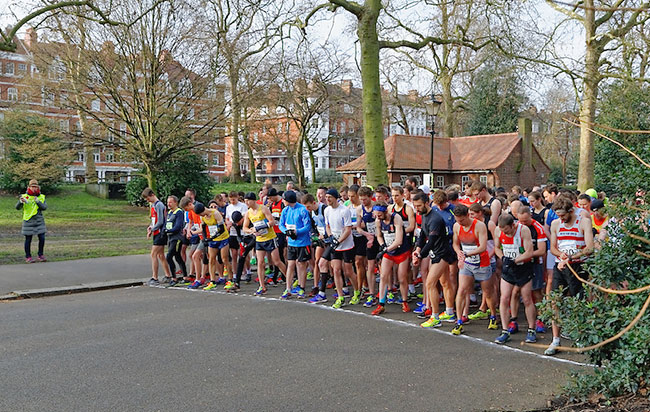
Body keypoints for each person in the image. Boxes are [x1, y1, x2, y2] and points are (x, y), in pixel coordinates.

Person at [545, 197, 594, 355]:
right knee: (555, 301)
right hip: (561, 265)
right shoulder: (555, 224)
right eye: (558, 215)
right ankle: (555, 339)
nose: (561, 218)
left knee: (578, 301)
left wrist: (571, 257)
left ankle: (580, 337)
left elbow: (590, 247)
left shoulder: (583, 221)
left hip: (578, 266)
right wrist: (562, 255)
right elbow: (553, 248)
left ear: (571, 211)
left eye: (563, 215)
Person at [411, 192, 456, 328]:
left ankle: (435, 316)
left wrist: (420, 255)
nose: (417, 209)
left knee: (430, 283)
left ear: (426, 203)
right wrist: (417, 249)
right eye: (415, 206)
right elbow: (422, 235)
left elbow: (431, 241)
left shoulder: (435, 219)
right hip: (435, 252)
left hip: (441, 253)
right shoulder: (424, 215)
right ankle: (449, 311)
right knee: (445, 282)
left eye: (419, 206)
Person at [451, 204, 498, 335]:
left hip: (482, 263)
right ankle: (459, 321)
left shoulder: (479, 226)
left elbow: (483, 247)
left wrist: (467, 254)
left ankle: (493, 315)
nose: (460, 223)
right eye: (457, 220)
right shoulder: (456, 226)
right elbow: (455, 243)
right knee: (461, 290)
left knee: (487, 292)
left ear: (468, 215)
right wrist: (458, 252)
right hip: (467, 263)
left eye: (462, 220)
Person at [493, 213, 538, 344]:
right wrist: (503, 258)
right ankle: (505, 330)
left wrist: (516, 260)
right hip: (509, 268)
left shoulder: (523, 230)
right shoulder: (498, 230)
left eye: (507, 231)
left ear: (513, 225)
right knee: (504, 297)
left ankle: (531, 329)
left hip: (523, 267)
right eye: (503, 231)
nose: (505, 234)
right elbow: (496, 247)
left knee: (527, 298)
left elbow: (530, 251)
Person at [242, 192, 287, 296]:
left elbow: (272, 222)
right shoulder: (248, 213)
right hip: (259, 240)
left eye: (248, 201)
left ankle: (289, 280)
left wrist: (262, 226)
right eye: (245, 201)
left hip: (270, 238)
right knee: (260, 263)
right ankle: (262, 286)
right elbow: (245, 227)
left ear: (253, 200)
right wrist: (252, 231)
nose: (246, 203)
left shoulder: (263, 209)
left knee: (277, 261)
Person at [323, 188, 359, 308]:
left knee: (348, 271)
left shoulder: (344, 211)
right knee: (336, 270)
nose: (327, 199)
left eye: (330, 197)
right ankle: (340, 296)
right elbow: (327, 226)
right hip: (335, 244)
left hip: (347, 245)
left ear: (335, 198)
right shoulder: (327, 210)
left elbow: (348, 229)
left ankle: (357, 291)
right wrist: (331, 237)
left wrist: (339, 241)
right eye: (326, 197)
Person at [371, 201, 410, 315]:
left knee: (401, 278)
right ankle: (381, 304)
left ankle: (404, 301)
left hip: (401, 251)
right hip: (389, 251)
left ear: (385, 212)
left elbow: (399, 240)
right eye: (376, 215)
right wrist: (383, 245)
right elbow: (378, 235)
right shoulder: (378, 221)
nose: (378, 217)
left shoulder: (396, 218)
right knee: (383, 276)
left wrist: (385, 250)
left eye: (380, 215)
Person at [278, 190, 312, 299]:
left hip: (302, 242)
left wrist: (297, 232)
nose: (283, 201)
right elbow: (281, 225)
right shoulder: (285, 210)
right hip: (291, 242)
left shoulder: (302, 210)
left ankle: (302, 288)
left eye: (284, 199)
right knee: (290, 264)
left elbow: (307, 226)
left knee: (301, 264)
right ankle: (288, 288)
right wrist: (286, 232)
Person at [196, 201, 232, 291]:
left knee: (224, 259)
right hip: (212, 239)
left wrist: (212, 237)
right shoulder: (203, 217)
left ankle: (231, 279)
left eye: (201, 214)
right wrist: (205, 239)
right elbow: (204, 228)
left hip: (222, 238)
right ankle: (212, 281)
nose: (201, 216)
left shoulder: (215, 213)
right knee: (211, 259)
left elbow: (222, 229)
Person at [142, 187, 172, 286]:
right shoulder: (154, 205)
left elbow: (160, 221)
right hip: (157, 232)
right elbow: (154, 220)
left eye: (148, 198)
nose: (147, 200)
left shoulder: (159, 205)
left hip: (160, 233)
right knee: (160, 255)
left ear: (152, 195)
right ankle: (168, 275)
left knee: (153, 254)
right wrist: (150, 227)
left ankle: (154, 277)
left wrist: (153, 228)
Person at [356, 186, 380, 307]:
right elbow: (358, 227)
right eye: (361, 199)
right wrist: (367, 235)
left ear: (370, 197)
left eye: (365, 199)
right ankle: (371, 293)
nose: (363, 202)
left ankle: (387, 291)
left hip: (381, 239)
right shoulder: (360, 209)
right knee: (370, 267)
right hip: (370, 239)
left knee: (383, 267)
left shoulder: (377, 206)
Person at [16, 179, 47, 263]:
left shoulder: (41, 197)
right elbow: (17, 207)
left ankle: (40, 255)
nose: (34, 189)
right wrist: (20, 202)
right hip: (28, 220)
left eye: (35, 187)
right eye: (32, 187)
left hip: (39, 221)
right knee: (28, 239)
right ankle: (28, 257)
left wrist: (38, 201)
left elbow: (44, 207)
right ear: (29, 187)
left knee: (42, 238)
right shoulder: (24, 196)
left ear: (38, 188)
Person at [164, 195, 187, 286]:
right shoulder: (169, 213)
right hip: (170, 238)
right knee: (178, 257)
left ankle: (174, 277)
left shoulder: (179, 212)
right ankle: (185, 276)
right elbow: (167, 224)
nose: (168, 204)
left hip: (177, 238)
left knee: (169, 256)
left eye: (170, 202)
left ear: (175, 203)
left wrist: (169, 230)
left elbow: (177, 226)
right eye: (167, 202)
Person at [226, 191, 248, 282]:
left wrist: (237, 223)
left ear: (237, 197)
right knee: (234, 254)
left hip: (241, 232)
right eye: (230, 200)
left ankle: (245, 271)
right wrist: (228, 223)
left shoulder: (243, 206)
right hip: (232, 232)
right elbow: (227, 218)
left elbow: (245, 217)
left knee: (242, 253)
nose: (232, 202)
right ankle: (235, 273)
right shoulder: (228, 207)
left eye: (234, 200)